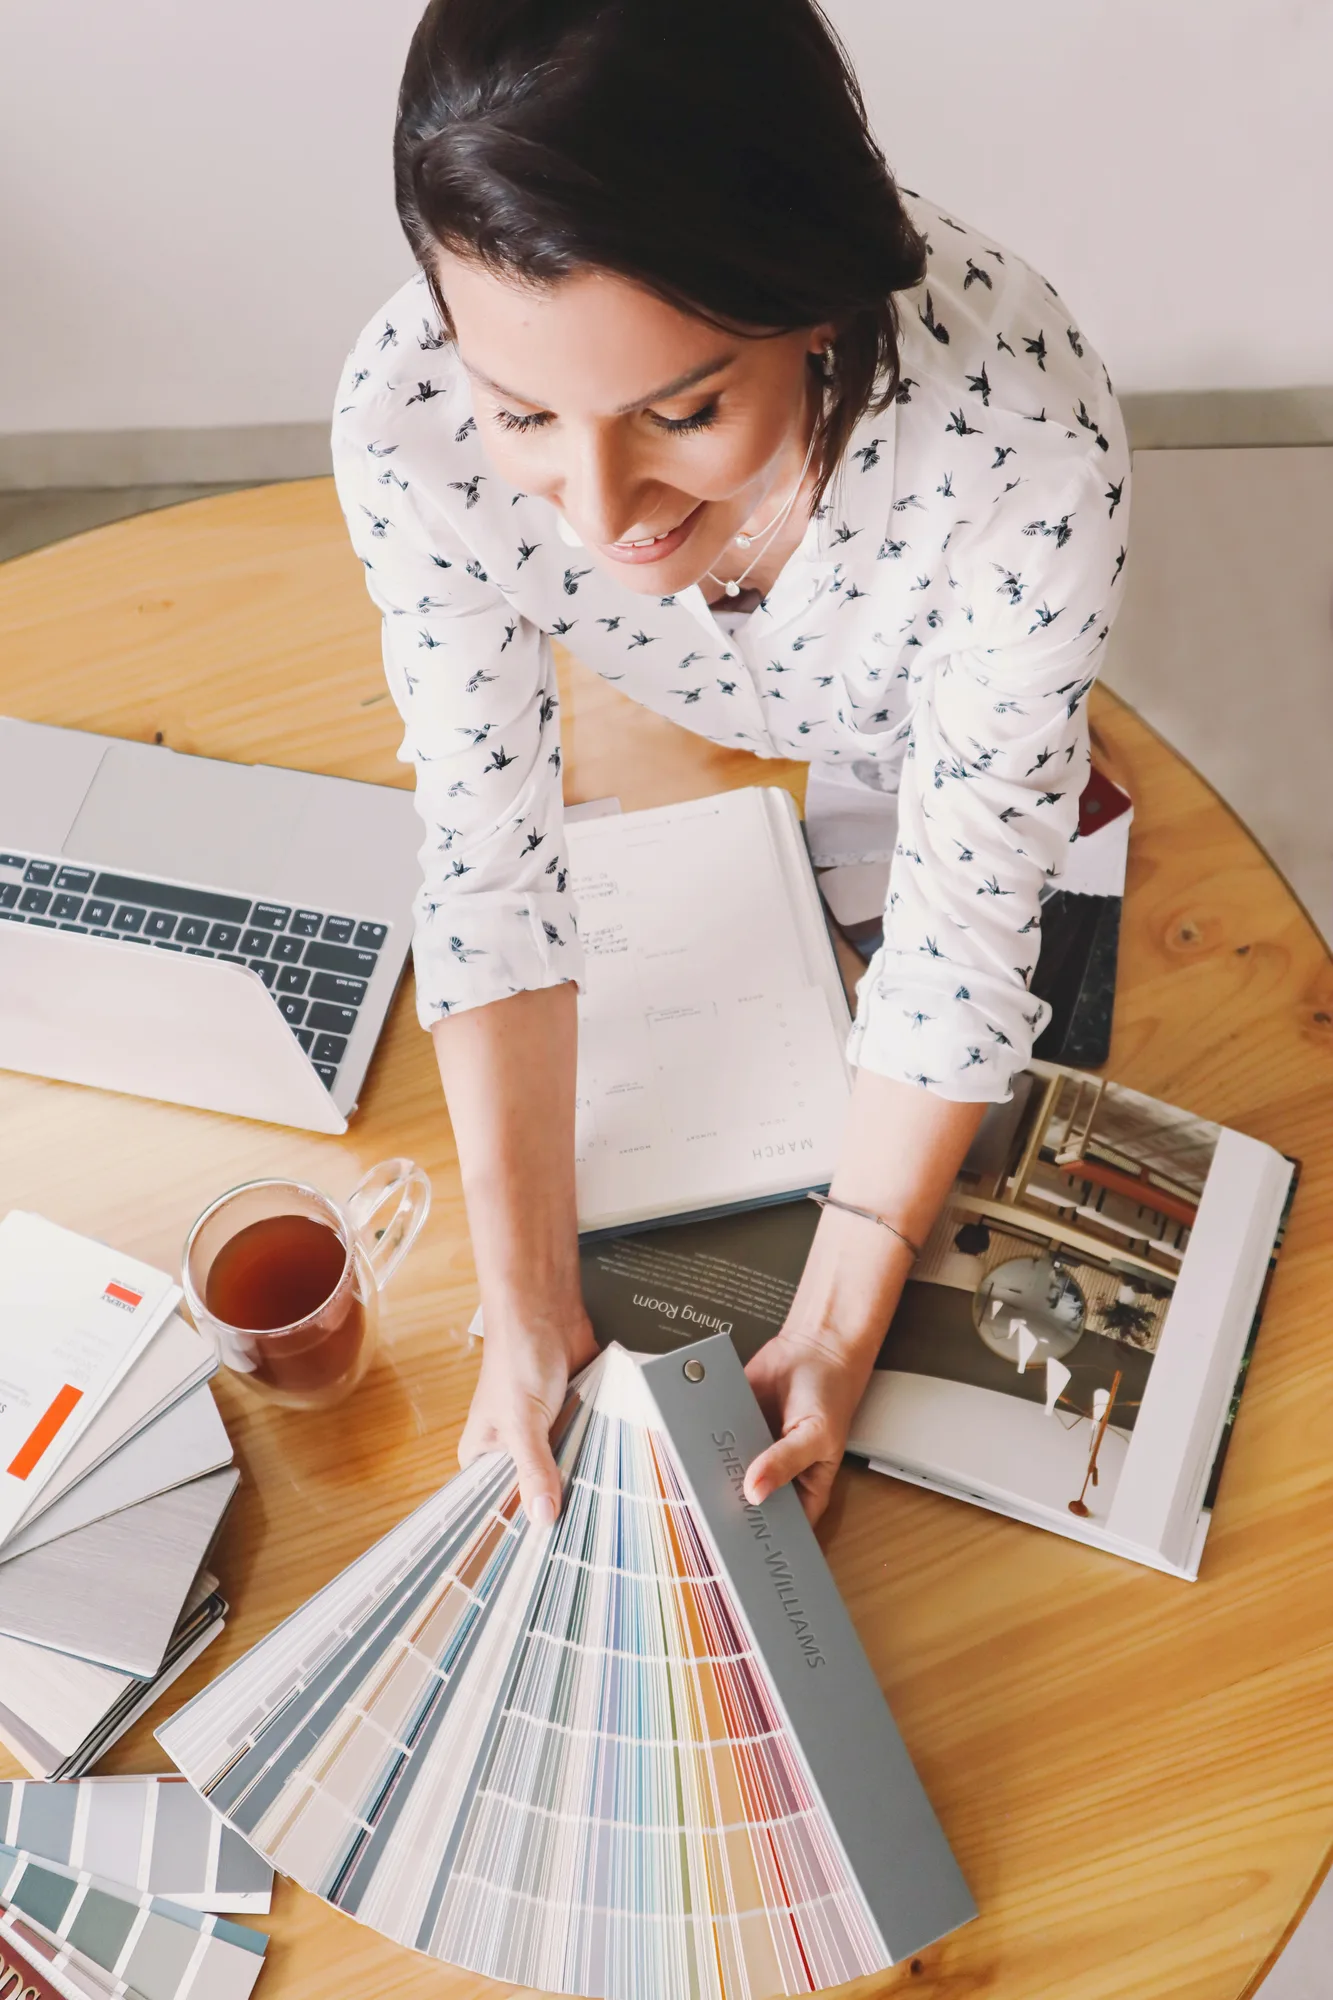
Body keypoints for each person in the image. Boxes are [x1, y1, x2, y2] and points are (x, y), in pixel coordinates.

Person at [332, 0, 1131, 1525]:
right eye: (522, 415)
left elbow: (965, 922)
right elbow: (487, 854)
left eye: (682, 410)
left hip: (918, 728)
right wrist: (522, 1304)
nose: (593, 506)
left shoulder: (1026, 451)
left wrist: (833, 1328)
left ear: (815, 301)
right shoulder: (405, 425)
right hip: (703, 740)